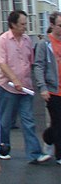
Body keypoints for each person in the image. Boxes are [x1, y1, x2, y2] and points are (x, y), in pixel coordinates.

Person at [0, 10, 52, 163]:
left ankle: (34, 154)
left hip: (25, 88)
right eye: (22, 24)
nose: (25, 27)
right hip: (7, 87)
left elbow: (30, 62)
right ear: (13, 24)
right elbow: (1, 62)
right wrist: (14, 79)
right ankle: (3, 148)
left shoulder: (26, 40)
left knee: (28, 120)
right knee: (5, 120)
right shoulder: (3, 40)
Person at [33, 11, 61, 165]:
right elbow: (38, 66)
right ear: (52, 25)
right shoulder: (45, 44)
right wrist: (42, 87)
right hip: (52, 89)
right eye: (60, 26)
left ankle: (48, 139)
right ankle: (59, 155)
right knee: (58, 121)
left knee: (57, 123)